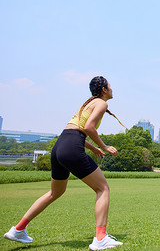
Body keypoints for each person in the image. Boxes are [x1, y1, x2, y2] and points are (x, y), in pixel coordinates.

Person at [4, 76, 125, 250]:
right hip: (72, 146)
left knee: (55, 192)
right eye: (110, 86)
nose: (112, 88)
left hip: (60, 146)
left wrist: (92, 148)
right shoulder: (101, 103)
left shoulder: (87, 103)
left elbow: (76, 130)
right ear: (104, 90)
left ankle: (18, 229)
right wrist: (104, 146)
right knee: (103, 188)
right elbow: (90, 127)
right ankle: (100, 238)